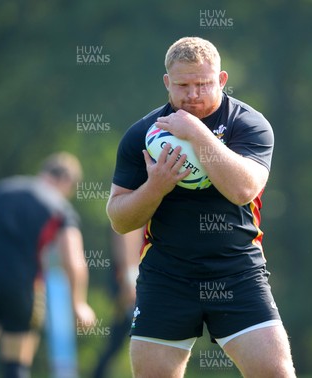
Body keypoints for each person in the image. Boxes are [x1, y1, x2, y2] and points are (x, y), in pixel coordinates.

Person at [106, 36, 296, 377]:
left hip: (236, 271)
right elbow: (119, 218)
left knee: (276, 373)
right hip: (167, 276)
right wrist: (156, 187)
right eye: (183, 85)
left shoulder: (247, 124)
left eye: (203, 84)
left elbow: (243, 189)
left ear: (221, 80)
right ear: (167, 82)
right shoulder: (141, 135)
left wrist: (196, 132)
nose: (192, 95)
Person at [0, 152, 96, 378]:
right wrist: (79, 303)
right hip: (23, 287)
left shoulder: (1, 190)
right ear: (66, 181)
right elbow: (73, 259)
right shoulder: (59, 207)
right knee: (15, 365)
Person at [92, 228, 142, 378]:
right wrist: (130, 280)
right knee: (139, 334)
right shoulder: (133, 207)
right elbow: (126, 238)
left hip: (131, 283)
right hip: (131, 285)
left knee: (118, 338)